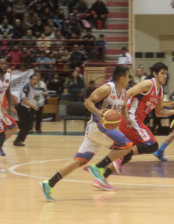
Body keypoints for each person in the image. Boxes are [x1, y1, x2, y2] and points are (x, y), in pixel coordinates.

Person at [40, 66, 133, 201]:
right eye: (128, 76)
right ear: (122, 78)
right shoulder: (108, 88)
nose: (129, 79)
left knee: (79, 161)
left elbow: (123, 108)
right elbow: (88, 101)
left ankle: (49, 184)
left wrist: (127, 119)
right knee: (127, 145)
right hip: (97, 126)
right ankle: (98, 167)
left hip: (97, 131)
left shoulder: (124, 92)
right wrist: (98, 112)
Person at [93, 62, 174, 189]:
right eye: (162, 73)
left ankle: (101, 178)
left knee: (127, 154)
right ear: (155, 74)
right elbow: (126, 94)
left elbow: (159, 112)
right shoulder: (148, 84)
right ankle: (100, 165)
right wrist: (125, 114)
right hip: (131, 119)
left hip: (135, 121)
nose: (165, 76)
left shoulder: (160, 91)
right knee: (151, 144)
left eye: (166, 74)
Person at [14, 75, 39, 146]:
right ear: (30, 79)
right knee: (26, 125)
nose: (35, 81)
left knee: (26, 126)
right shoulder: (26, 87)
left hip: (25, 108)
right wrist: (33, 106)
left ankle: (19, 140)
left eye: (36, 80)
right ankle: (17, 141)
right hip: (21, 107)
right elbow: (23, 100)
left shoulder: (32, 88)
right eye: (34, 79)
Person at [0, 59, 17, 156]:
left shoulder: (7, 76)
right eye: (2, 64)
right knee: (1, 132)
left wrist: (11, 105)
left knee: (12, 127)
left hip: (1, 108)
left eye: (5, 63)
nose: (4, 65)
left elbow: (8, 91)